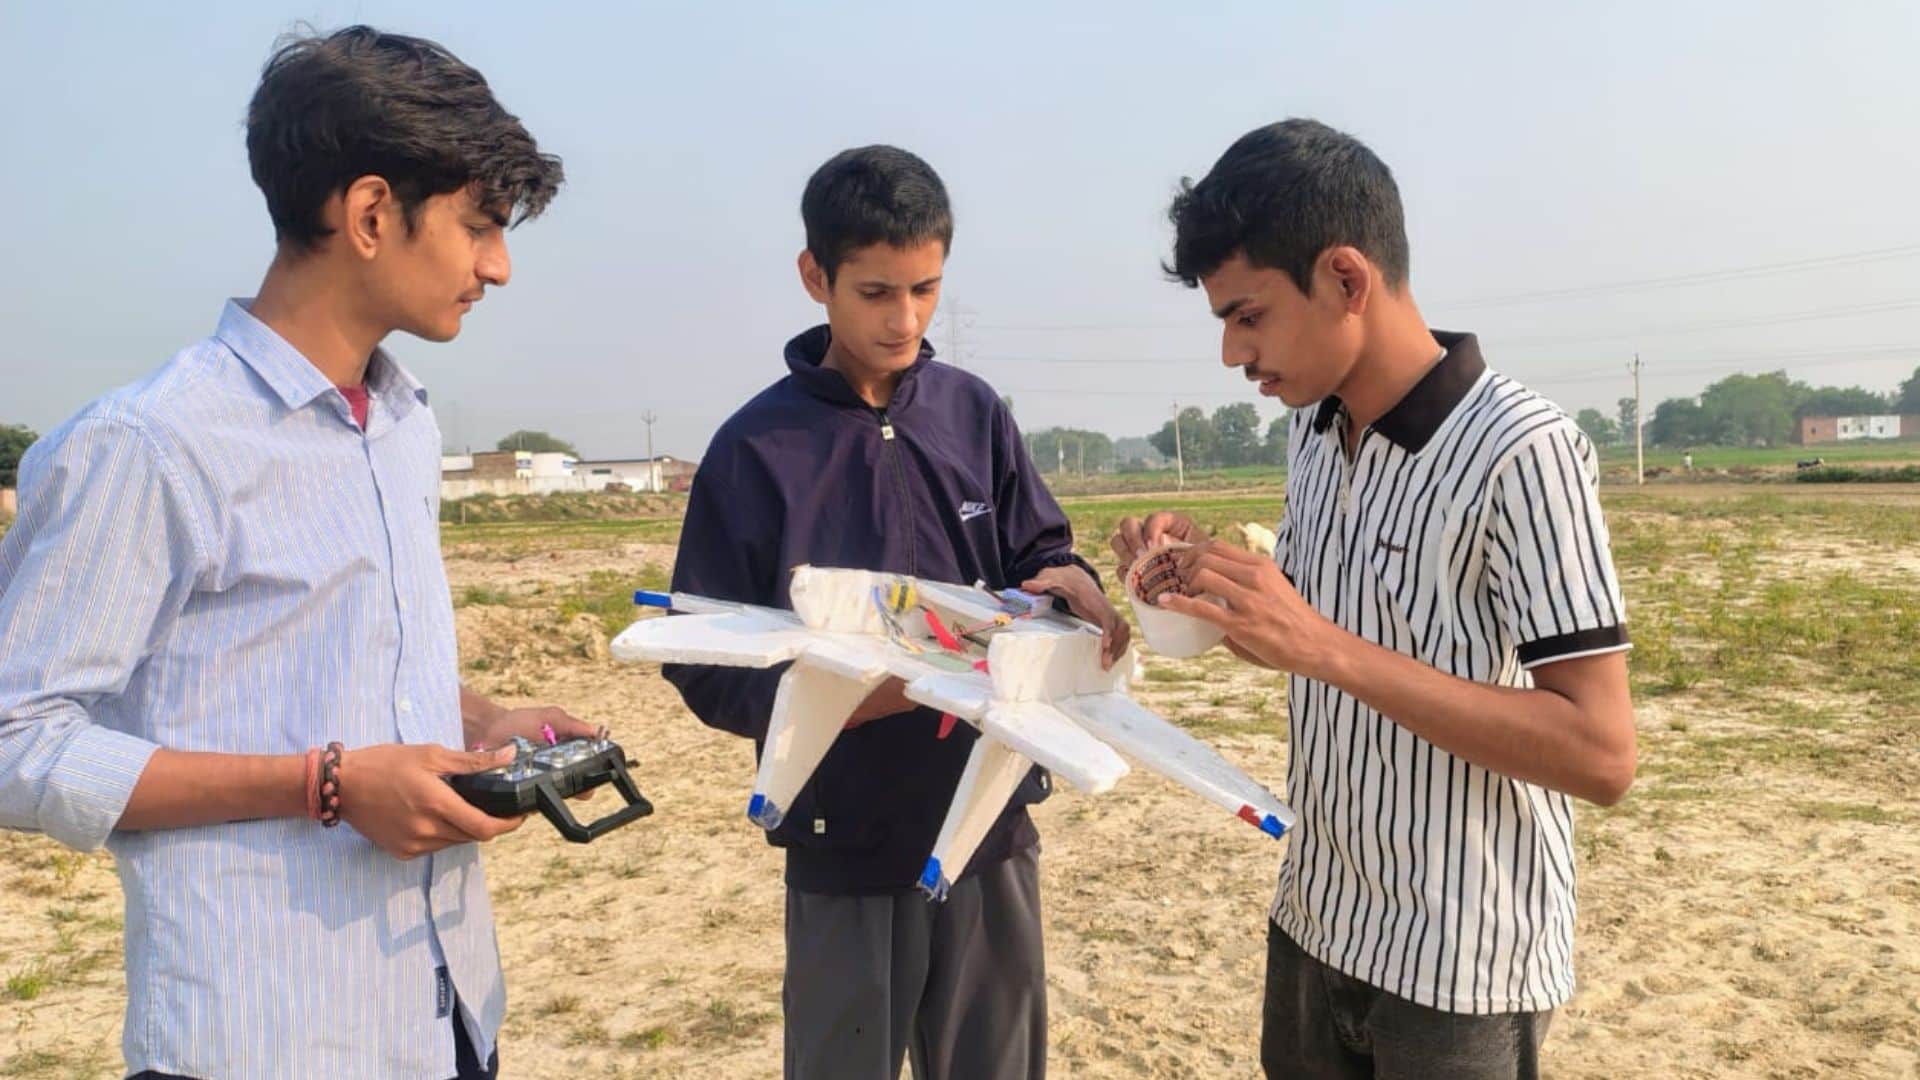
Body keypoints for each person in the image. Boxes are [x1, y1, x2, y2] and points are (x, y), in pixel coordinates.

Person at [0, 26, 577, 1078]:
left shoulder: (402, 425)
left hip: (445, 1014)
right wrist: (323, 784)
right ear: (368, 215)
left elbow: (326, 668)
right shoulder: (151, 445)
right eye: (479, 226)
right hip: (266, 1034)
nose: (497, 265)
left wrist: (480, 720)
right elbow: (18, 743)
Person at [1113, 119, 1637, 1079]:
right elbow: (1308, 641)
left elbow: (1602, 754)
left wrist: (1319, 644)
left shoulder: (1524, 450)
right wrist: (1203, 589)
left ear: (1347, 281)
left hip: (1460, 966)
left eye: (1249, 314)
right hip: (1318, 920)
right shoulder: (1315, 432)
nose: (1233, 352)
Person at [663, 144, 1128, 1080]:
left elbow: (1038, 551)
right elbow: (702, 658)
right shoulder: (756, 450)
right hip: (844, 840)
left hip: (986, 823)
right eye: (877, 292)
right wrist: (855, 696)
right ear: (815, 278)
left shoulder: (972, 412)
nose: (905, 319)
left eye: (926, 289)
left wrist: (1071, 582)